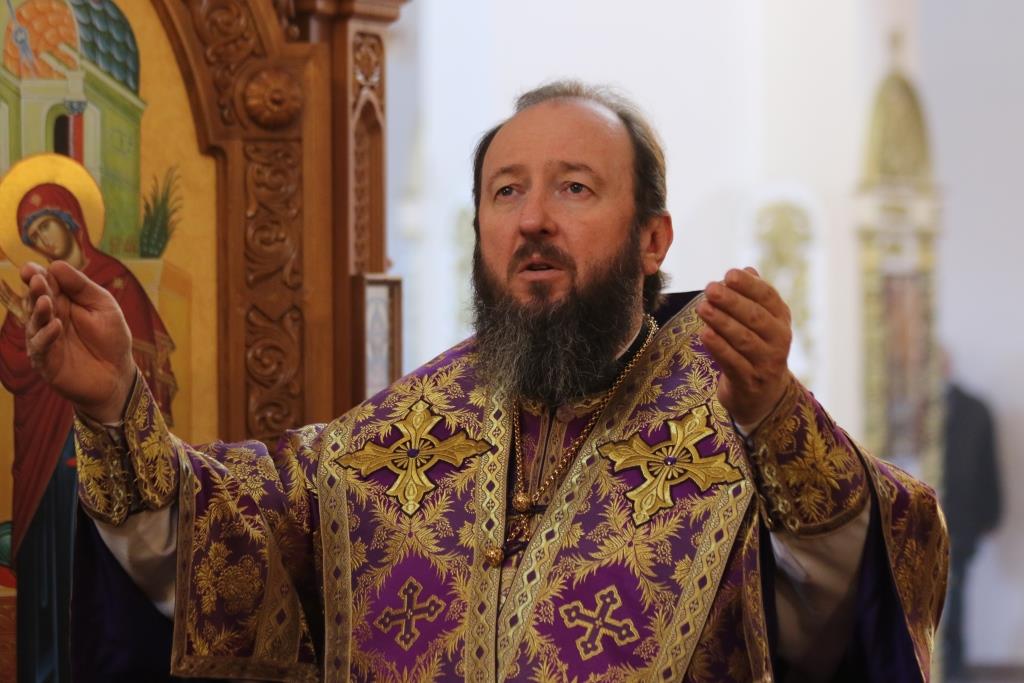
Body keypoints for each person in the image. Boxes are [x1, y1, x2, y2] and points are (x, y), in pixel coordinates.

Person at [18, 82, 946, 682]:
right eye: (506, 191)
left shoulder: (735, 421)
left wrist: (779, 420)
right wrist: (115, 406)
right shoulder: (392, 436)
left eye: (574, 188)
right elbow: (217, 536)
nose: (533, 218)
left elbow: (856, 596)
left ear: (652, 238)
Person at [0, 181, 177, 683]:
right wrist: (22, 325)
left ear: (72, 220)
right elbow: (13, 368)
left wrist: (116, 396)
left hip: (100, 447)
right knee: (45, 553)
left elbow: (149, 370)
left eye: (46, 226)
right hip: (42, 452)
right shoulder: (36, 293)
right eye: (32, 235)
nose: (42, 240)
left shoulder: (114, 283)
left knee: (90, 557)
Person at [941, 380, 1000, 678]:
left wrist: (991, 515)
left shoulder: (973, 410)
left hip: (960, 523)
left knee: (954, 598)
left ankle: (953, 670)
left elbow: (988, 467)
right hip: (914, 520)